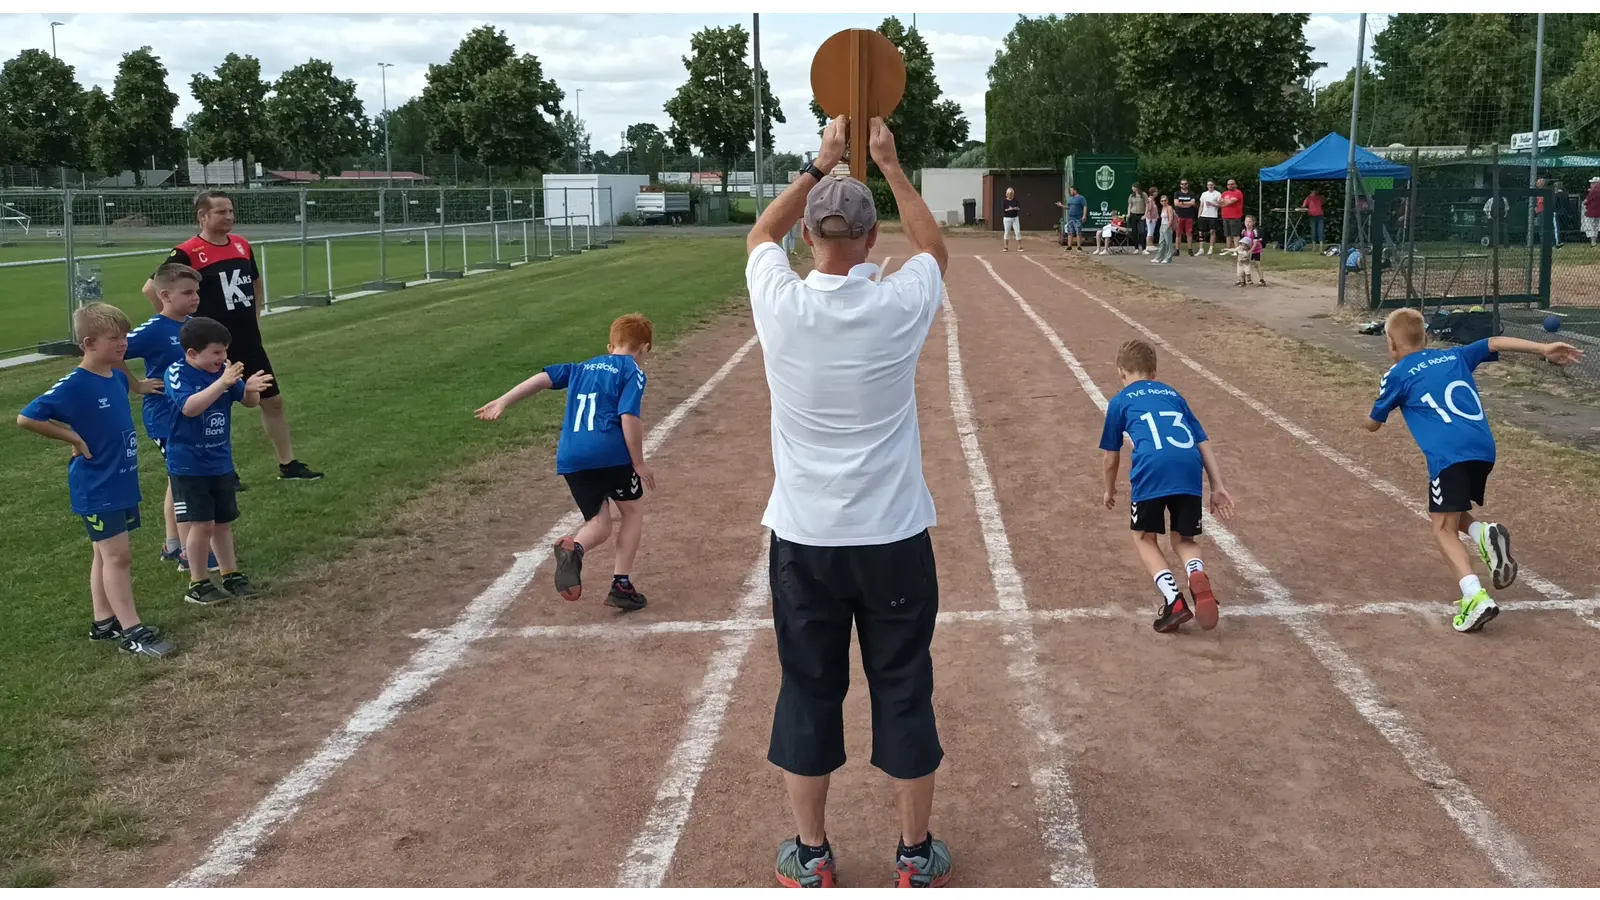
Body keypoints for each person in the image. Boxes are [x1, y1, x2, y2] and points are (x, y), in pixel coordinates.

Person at [744, 115, 952, 889]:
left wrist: (818, 162)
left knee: (808, 691)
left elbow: (758, 237)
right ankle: (912, 855)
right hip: (894, 536)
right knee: (904, 687)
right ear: (871, 241)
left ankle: (813, 854)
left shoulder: (781, 301)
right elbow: (933, 248)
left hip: (804, 540)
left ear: (810, 236)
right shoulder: (899, 300)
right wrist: (889, 164)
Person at [1365, 308, 1584, 632]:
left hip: (1449, 455)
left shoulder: (1396, 374)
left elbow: (1372, 425)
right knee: (1448, 511)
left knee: (1442, 528)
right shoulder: (1453, 356)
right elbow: (1493, 342)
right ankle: (1484, 534)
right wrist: (1542, 349)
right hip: (1482, 449)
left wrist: (1372, 412)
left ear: (1392, 345)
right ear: (1426, 337)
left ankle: (1474, 596)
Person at [17, 303, 175, 658]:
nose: (123, 343)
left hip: (121, 479)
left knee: (103, 554)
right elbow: (27, 418)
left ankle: (104, 622)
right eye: (114, 338)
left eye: (124, 336)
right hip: (96, 484)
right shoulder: (74, 384)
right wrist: (73, 438)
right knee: (118, 557)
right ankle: (132, 631)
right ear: (88, 343)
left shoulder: (117, 376)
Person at [473, 314, 656, 612]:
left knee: (599, 522)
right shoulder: (632, 370)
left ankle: (576, 548)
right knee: (632, 511)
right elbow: (628, 417)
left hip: (572, 457)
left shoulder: (581, 368)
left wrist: (503, 401)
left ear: (610, 345)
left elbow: (542, 379)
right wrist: (638, 462)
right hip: (610, 453)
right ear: (644, 348)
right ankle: (621, 584)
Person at [142, 189, 323, 484]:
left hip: (247, 339)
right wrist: (180, 325)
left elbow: (255, 283)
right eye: (221, 212)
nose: (229, 217)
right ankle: (222, 471)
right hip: (210, 347)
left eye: (231, 211)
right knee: (212, 406)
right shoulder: (186, 252)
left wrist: (256, 317)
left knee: (272, 400)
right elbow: (152, 288)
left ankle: (288, 465)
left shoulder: (241, 245)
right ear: (203, 216)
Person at [1100, 339, 1235, 633]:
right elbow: (1201, 441)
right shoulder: (1173, 395)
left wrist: (1109, 490)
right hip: (1188, 468)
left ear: (1121, 371)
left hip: (1152, 469)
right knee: (1184, 539)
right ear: (1154, 372)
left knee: (1144, 537)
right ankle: (1196, 573)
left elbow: (1111, 457)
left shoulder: (1121, 400)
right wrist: (1217, 486)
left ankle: (1174, 600)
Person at [164, 316, 273, 606]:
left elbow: (248, 403)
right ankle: (197, 583)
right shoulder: (178, 372)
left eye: (225, 351)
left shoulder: (222, 371)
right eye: (216, 352)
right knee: (202, 525)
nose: (223, 358)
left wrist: (249, 388)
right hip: (189, 464)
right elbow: (189, 407)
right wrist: (222, 383)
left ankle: (230, 574)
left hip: (219, 461)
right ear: (192, 354)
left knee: (223, 522)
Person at [121, 262, 220, 577]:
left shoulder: (195, 327)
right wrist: (136, 385)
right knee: (186, 481)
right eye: (187, 293)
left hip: (192, 415)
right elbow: (113, 353)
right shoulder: (153, 329)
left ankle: (173, 544)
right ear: (164, 295)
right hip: (165, 418)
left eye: (196, 292)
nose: (195, 298)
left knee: (177, 479)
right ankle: (191, 556)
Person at [1172, 179, 1198, 256]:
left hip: (1189, 216)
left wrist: (1182, 203)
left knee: (1189, 233)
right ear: (1180, 185)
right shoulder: (1177, 193)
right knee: (1178, 233)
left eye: (1185, 184)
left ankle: (1190, 250)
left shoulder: (1191, 193)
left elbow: (1192, 203)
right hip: (1179, 216)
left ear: (1187, 184)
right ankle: (1177, 250)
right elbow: (1176, 204)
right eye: (1182, 184)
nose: (1184, 185)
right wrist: (1187, 204)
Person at [1219, 178, 1246, 254]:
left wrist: (1226, 202)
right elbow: (1220, 202)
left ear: (1235, 185)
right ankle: (1228, 249)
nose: (1230, 186)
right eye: (1228, 184)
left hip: (1235, 216)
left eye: (1232, 184)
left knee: (1235, 234)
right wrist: (1226, 202)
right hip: (1225, 216)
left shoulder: (1238, 193)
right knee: (1227, 234)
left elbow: (1231, 202)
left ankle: (1236, 250)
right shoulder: (1224, 193)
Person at [1057, 186, 1087, 252]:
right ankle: (1069, 246)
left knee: (1078, 232)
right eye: (1070, 190)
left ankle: (1079, 247)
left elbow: (1085, 206)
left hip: (1078, 218)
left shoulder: (1081, 198)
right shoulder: (1070, 198)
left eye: (1071, 190)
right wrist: (1061, 205)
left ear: (1075, 191)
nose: (1071, 192)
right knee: (1070, 232)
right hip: (1070, 218)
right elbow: (1068, 207)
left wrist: (1084, 216)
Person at [1198, 180, 1223, 255]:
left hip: (1213, 216)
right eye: (1208, 185)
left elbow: (1220, 205)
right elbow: (1201, 205)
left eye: (1211, 185)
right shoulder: (1204, 194)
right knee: (1201, 232)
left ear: (1214, 185)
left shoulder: (1217, 194)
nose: (1210, 186)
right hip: (1204, 215)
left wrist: (1212, 204)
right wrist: (1199, 215)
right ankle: (1201, 249)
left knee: (1212, 231)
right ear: (1207, 186)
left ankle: (1211, 248)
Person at [1151, 195, 1176, 265]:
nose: (1163, 202)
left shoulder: (1169, 208)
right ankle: (1159, 258)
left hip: (1167, 226)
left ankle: (1168, 258)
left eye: (1165, 200)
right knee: (1161, 242)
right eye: (1162, 201)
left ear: (1167, 201)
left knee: (1168, 243)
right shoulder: (1163, 208)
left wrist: (1168, 227)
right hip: (1162, 226)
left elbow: (1170, 218)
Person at [1001, 187, 1023, 252]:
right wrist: (1009, 209)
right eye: (1009, 194)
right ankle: (1006, 247)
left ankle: (1019, 246)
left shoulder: (1016, 201)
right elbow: (1003, 210)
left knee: (1017, 232)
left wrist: (1016, 208)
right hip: (1007, 218)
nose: (1011, 195)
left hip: (1015, 218)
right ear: (1007, 194)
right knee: (1007, 232)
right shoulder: (1004, 201)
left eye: (1012, 194)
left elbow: (1019, 208)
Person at [1126, 183, 1147, 251]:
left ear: (1136, 187)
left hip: (1141, 214)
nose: (1132, 189)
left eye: (1133, 187)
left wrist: (1145, 215)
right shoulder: (1131, 196)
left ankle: (1144, 248)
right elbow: (1129, 205)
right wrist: (1128, 214)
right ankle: (1136, 248)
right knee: (1134, 232)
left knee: (1142, 231)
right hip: (1133, 214)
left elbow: (1147, 205)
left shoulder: (1143, 195)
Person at [1143, 187, 1160, 255]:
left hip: (1154, 218)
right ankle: (1148, 246)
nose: (1157, 193)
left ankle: (1151, 245)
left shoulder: (1153, 200)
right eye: (1156, 191)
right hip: (1150, 218)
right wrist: (1149, 218)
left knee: (1151, 232)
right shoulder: (1150, 200)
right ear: (1153, 193)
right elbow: (1148, 210)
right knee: (1149, 232)